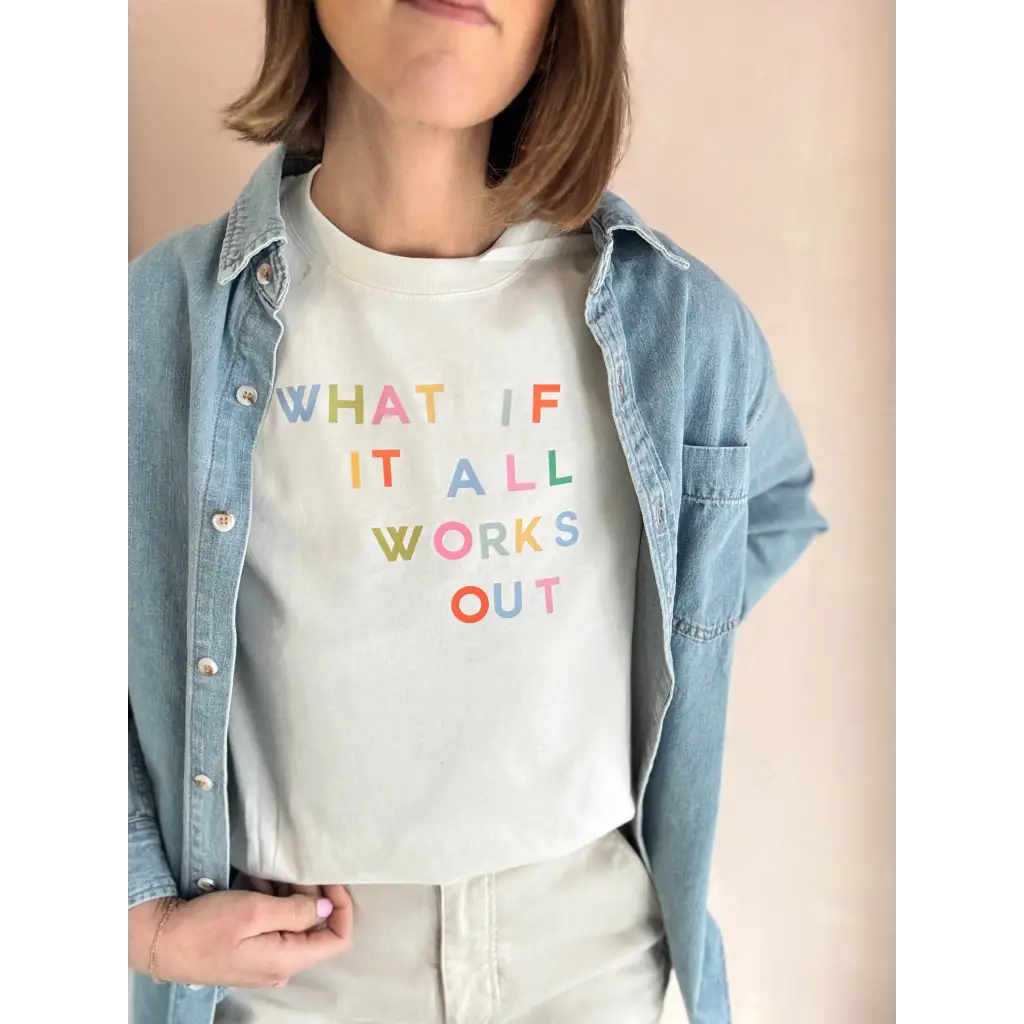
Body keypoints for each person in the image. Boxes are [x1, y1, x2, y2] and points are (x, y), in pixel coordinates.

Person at [127, 2, 827, 1023]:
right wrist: (146, 911)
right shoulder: (162, 327)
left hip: (593, 962)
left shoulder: (677, 324)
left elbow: (764, 514)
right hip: (292, 974)